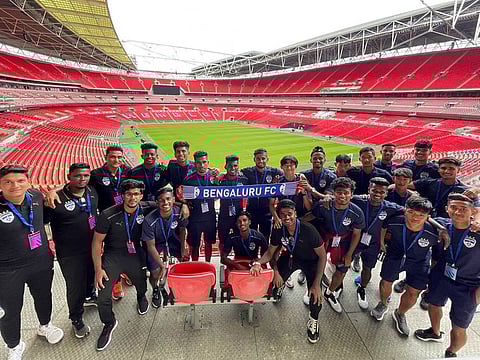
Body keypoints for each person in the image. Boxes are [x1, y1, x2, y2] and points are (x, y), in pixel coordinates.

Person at [0, 165, 63, 360]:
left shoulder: (35, 196)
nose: (15, 186)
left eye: (20, 181)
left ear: (28, 181)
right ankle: (14, 345)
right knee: (10, 310)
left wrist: (52, 191)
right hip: (7, 269)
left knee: (44, 297)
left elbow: (50, 206)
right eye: (8, 182)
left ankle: (45, 326)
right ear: (0, 185)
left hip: (41, 261)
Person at [250, 199, 327, 344]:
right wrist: (260, 264)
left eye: (290, 214)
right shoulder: (278, 229)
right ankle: (281, 286)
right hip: (292, 258)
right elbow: (270, 253)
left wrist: (317, 284)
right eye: (283, 214)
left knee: (316, 297)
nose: (287, 217)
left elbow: (322, 256)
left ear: (295, 213)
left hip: (312, 262)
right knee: (276, 282)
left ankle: (313, 320)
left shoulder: (308, 229)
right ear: (278, 215)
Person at [415, 193, 480, 358]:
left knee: (459, 326)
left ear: (473, 211)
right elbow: (425, 216)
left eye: (463, 208)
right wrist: (441, 227)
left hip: (469, 285)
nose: (457, 212)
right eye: (453, 207)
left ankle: (451, 352)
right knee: (433, 304)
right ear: (447, 209)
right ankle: (435, 332)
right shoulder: (442, 224)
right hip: (442, 276)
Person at [92, 179, 154, 351]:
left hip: (136, 254)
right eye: (128, 194)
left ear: (141, 195)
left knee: (141, 283)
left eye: (136, 194)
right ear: (122, 196)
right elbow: (97, 242)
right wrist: (98, 269)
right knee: (103, 294)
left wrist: (183, 205)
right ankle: (109, 323)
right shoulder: (108, 214)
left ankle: (141, 297)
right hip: (113, 255)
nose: (132, 197)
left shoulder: (147, 207)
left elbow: (168, 203)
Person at [371, 196, 440, 337]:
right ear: (405, 210)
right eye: (412, 212)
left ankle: (400, 313)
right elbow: (383, 228)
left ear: (428, 216)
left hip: (419, 261)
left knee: (414, 292)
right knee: (386, 282)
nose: (415, 217)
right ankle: (383, 304)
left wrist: (432, 271)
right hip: (395, 256)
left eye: (421, 215)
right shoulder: (394, 222)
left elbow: (438, 254)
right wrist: (383, 245)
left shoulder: (433, 232)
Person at [44, 163, 99, 339]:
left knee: (91, 274)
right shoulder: (56, 198)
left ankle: (90, 296)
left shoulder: (92, 191)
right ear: (69, 176)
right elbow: (43, 221)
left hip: (91, 245)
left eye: (86, 175)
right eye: (78, 176)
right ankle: (76, 318)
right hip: (69, 251)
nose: (82, 179)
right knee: (75, 286)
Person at [310, 177, 365, 313]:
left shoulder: (357, 212)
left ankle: (329, 293)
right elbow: (311, 216)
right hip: (325, 238)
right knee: (315, 264)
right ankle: (311, 288)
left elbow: (357, 234)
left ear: (351, 194)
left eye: (346, 192)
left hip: (344, 242)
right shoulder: (324, 205)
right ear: (333, 193)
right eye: (339, 192)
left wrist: (349, 254)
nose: (342, 195)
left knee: (341, 271)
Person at [350, 177, 403, 309]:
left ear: (386, 194)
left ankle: (362, 288)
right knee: (342, 265)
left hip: (373, 244)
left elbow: (414, 211)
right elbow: (337, 198)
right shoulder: (357, 200)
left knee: (368, 268)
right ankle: (337, 287)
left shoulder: (391, 208)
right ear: (369, 189)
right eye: (374, 190)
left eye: (382, 192)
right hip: (353, 240)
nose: (378, 194)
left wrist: (439, 227)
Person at [141, 187, 188, 308]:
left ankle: (179, 287)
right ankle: (156, 289)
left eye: (168, 199)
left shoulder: (180, 212)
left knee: (183, 262)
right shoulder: (149, 220)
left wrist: (183, 248)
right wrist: (162, 265)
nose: (165, 203)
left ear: (173, 199)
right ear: (157, 203)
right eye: (162, 200)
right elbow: (150, 246)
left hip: (172, 239)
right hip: (156, 243)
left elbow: (182, 231)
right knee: (156, 272)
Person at [270, 155, 311, 289]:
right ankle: (281, 273)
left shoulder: (301, 180)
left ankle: (303, 272)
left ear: (295, 166)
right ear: (281, 167)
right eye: (286, 165)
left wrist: (304, 192)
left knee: (299, 247)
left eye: (292, 164)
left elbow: (309, 206)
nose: (289, 167)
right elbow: (271, 204)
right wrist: (276, 218)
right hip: (282, 219)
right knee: (278, 247)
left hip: (298, 221)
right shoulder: (278, 181)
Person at [407, 157, 475, 218]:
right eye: (443, 168)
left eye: (451, 169)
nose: (446, 171)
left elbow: (477, 207)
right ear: (438, 169)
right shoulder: (428, 182)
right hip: (425, 220)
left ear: (458, 170)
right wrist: (413, 194)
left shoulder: (464, 190)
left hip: (447, 224)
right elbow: (402, 185)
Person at [183, 151, 218, 262]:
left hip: (210, 216)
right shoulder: (188, 179)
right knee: (195, 244)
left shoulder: (214, 178)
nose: (202, 165)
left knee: (208, 242)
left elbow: (218, 195)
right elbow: (187, 199)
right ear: (195, 164)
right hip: (195, 217)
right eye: (199, 163)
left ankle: (207, 264)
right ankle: (195, 265)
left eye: (204, 162)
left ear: (208, 162)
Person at [241, 148, 283, 241]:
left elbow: (286, 176)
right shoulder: (247, 171)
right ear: (254, 159)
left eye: (263, 158)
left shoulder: (274, 172)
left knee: (266, 236)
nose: (261, 161)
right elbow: (235, 173)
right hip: (251, 210)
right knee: (251, 236)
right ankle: (253, 255)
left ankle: (265, 254)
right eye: (258, 158)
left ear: (267, 159)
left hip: (267, 211)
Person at [217, 155, 249, 255]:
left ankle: (238, 261)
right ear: (225, 166)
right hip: (224, 216)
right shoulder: (220, 180)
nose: (233, 168)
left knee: (239, 240)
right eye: (230, 165)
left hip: (238, 216)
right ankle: (223, 260)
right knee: (222, 241)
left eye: (235, 166)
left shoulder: (244, 180)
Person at [89, 145, 131, 212]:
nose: (116, 160)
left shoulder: (127, 171)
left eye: (119, 157)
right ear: (106, 158)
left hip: (124, 210)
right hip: (105, 212)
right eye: (113, 157)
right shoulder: (95, 174)